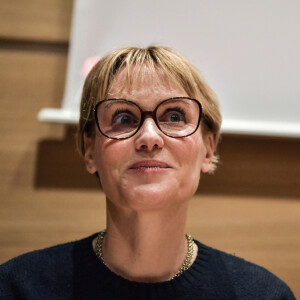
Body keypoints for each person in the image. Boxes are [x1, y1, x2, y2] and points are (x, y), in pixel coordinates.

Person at [0, 46, 295, 299]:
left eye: (175, 116)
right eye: (124, 118)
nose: (149, 137)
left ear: (208, 149)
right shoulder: (18, 289)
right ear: (90, 151)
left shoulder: (264, 295)